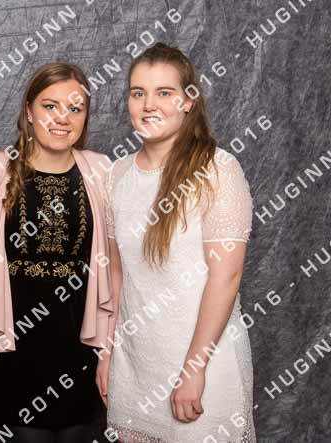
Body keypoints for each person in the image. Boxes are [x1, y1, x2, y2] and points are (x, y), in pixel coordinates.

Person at [103, 42, 256, 442]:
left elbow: (226, 276)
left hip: (200, 365)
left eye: (164, 92)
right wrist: (107, 354)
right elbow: (117, 274)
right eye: (138, 93)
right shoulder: (116, 175)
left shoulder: (217, 169)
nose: (149, 105)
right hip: (135, 366)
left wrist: (194, 369)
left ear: (188, 101)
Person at [0, 62, 123, 443]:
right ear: (28, 111)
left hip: (80, 347)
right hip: (13, 348)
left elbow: (117, 271)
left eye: (75, 108)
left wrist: (108, 352)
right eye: (50, 106)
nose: (62, 118)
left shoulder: (103, 173)